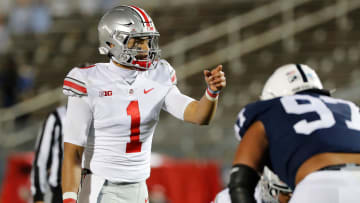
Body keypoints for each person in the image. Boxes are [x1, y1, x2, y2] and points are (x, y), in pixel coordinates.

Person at [61, 5, 226, 203]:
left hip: (139, 187)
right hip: (100, 187)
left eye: (147, 41)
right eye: (137, 42)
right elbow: (73, 152)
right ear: (113, 41)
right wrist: (69, 199)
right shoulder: (88, 80)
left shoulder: (158, 75)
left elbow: (199, 116)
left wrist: (212, 92)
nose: (146, 49)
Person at [228, 64, 360, 203]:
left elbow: (240, 183)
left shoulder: (268, 111)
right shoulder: (349, 108)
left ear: (271, 97)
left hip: (321, 185)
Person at [31, 105, 66, 203]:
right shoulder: (57, 117)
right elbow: (41, 159)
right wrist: (38, 195)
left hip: (94, 188)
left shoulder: (98, 116)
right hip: (62, 192)